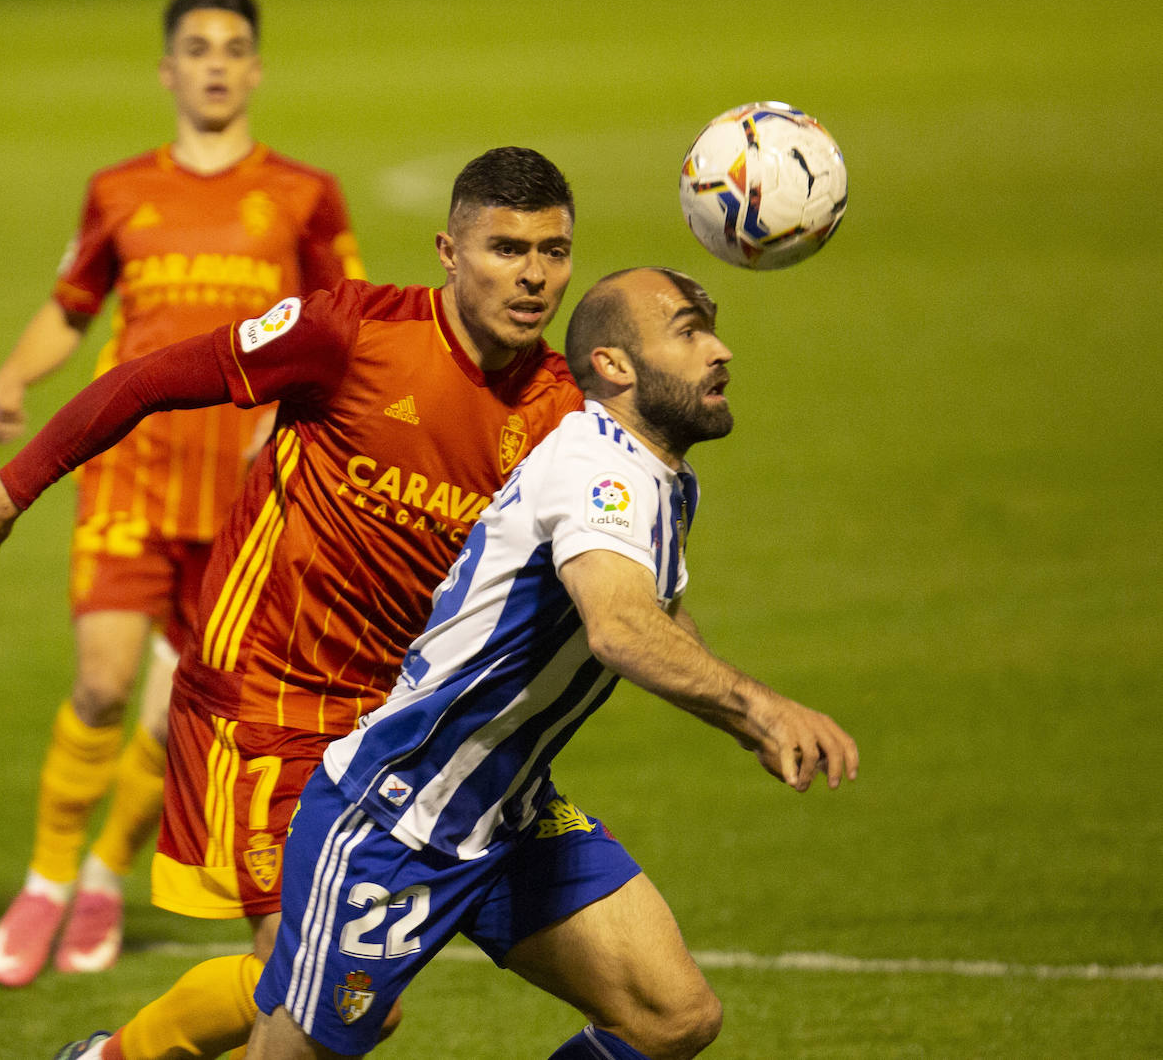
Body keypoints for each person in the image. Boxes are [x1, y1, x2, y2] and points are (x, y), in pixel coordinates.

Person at [0, 146, 585, 1057]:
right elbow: (150, 378)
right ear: (449, 249)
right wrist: (8, 494)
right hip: (262, 704)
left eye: (552, 252)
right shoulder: (351, 333)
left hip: (388, 728)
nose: (532, 275)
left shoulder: (557, 410)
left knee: (335, 1002)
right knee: (329, 994)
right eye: (506, 248)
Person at [237, 266, 861, 1059]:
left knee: (672, 1016)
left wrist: (742, 727)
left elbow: (657, 608)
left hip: (511, 814)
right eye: (689, 330)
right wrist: (761, 706)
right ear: (615, 365)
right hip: (398, 819)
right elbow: (621, 628)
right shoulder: (597, 470)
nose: (720, 350)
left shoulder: (660, 478)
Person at [0, 0, 366, 989]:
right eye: (196, 48)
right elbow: (74, 306)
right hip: (131, 478)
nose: (215, 64)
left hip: (245, 497)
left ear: (256, 69)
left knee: (168, 718)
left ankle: (106, 871)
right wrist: (17, 377)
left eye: (234, 48)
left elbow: (340, 328)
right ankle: (45, 880)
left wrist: (293, 426)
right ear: (167, 69)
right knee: (103, 684)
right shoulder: (116, 191)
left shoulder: (304, 195)